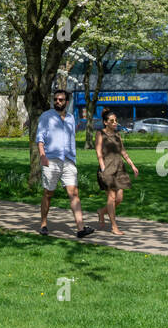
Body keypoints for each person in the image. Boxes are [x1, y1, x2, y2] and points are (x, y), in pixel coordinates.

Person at [37, 89, 94, 238]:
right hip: (51, 159)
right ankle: (43, 224)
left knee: (74, 193)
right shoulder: (46, 116)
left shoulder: (70, 118)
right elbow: (40, 138)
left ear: (66, 102)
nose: (57, 102)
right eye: (55, 99)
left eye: (61, 100)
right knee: (48, 194)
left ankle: (81, 229)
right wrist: (42, 155)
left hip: (68, 160)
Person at [96, 112, 138, 234]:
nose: (115, 123)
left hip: (119, 168)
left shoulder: (117, 135)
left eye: (115, 120)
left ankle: (102, 211)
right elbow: (98, 152)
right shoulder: (100, 134)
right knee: (112, 197)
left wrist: (132, 165)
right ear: (105, 122)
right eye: (112, 121)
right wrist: (103, 167)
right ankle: (114, 226)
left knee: (119, 198)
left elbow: (123, 151)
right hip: (107, 169)